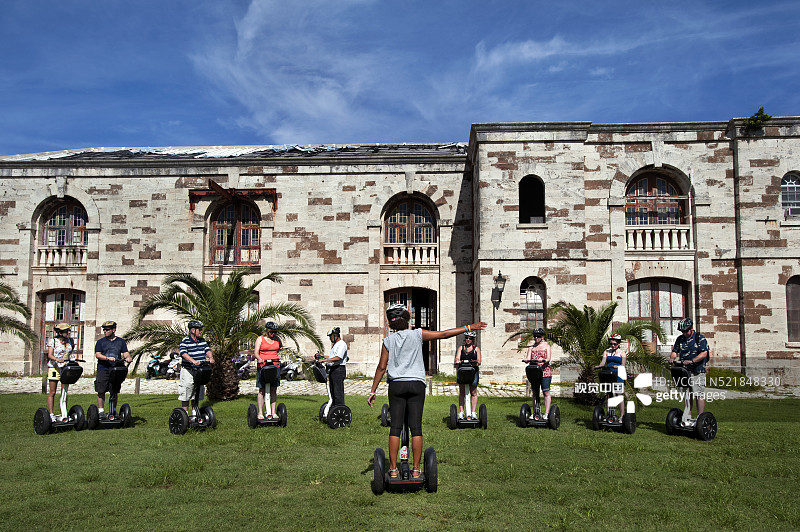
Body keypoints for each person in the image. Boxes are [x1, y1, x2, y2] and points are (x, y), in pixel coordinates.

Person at [368, 303, 486, 479]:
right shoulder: (417, 334)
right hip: (416, 384)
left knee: (395, 428)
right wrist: (469, 327)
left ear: (390, 324)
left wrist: (372, 391)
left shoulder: (388, 341)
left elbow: (381, 367)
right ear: (407, 320)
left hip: (397, 385)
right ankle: (416, 470)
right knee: (416, 427)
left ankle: (393, 470)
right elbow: (444, 335)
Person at [669, 317, 709, 417]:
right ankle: (688, 415)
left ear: (691, 328)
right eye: (682, 331)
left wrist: (691, 361)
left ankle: (700, 417)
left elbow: (704, 353)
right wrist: (672, 358)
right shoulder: (680, 339)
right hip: (684, 371)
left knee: (698, 394)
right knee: (687, 394)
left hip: (697, 371)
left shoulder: (699, 338)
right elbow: (675, 351)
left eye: (686, 331)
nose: (684, 333)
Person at [94, 320, 131, 414]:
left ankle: (113, 410)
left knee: (114, 391)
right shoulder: (100, 342)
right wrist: (107, 358)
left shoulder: (120, 341)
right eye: (104, 330)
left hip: (115, 369)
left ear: (113, 330)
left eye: (107, 329)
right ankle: (101, 411)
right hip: (103, 369)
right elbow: (98, 354)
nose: (105, 331)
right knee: (101, 390)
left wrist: (128, 357)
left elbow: (125, 352)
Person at [179, 320, 215, 413]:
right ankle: (185, 415)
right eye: (199, 329)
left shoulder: (202, 340)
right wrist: (193, 361)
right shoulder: (185, 340)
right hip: (188, 370)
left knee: (197, 392)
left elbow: (207, 349)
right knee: (187, 391)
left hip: (199, 370)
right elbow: (183, 353)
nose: (201, 331)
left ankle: (195, 414)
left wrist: (211, 358)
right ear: (192, 330)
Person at [46, 323, 76, 421]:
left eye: (69, 331)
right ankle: (51, 414)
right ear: (60, 333)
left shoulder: (70, 341)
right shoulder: (53, 341)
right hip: (54, 368)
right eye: (66, 331)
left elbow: (70, 352)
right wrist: (57, 359)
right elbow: (50, 355)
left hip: (65, 368)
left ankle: (64, 413)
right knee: (52, 391)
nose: (68, 333)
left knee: (65, 391)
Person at [594, 333, 627, 418]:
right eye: (611, 343)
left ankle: (622, 416)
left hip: (619, 376)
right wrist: (599, 366)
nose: (613, 345)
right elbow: (603, 362)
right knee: (609, 394)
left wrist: (617, 366)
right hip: (608, 374)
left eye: (615, 344)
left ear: (619, 344)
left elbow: (623, 365)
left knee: (619, 395)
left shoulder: (622, 353)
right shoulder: (606, 352)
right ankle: (609, 414)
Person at [253, 321, 282, 419]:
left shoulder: (277, 339)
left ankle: (273, 412)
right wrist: (259, 358)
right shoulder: (260, 339)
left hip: (275, 366)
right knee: (262, 390)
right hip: (263, 366)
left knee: (273, 389)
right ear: (267, 331)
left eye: (275, 332)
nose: (273, 334)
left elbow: (279, 348)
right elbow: (256, 352)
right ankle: (260, 413)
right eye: (272, 332)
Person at [522, 328, 552, 418]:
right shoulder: (531, 348)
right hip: (534, 372)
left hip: (545, 372)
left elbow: (548, 358)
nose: (536, 338)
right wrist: (526, 360)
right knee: (535, 392)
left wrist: (543, 360)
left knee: (546, 392)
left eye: (538, 336)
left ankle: (546, 414)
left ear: (542, 337)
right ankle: (535, 412)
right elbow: (528, 357)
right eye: (534, 336)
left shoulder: (547, 346)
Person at [454, 330, 481, 419]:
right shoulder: (461, 348)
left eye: (470, 338)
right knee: (462, 392)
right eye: (466, 338)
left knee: (473, 392)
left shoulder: (476, 349)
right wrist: (458, 361)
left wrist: (474, 362)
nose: (468, 340)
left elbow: (479, 361)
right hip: (463, 372)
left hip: (473, 372)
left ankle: (473, 412)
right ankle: (461, 412)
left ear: (473, 339)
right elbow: (457, 358)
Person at [319, 327, 347, 406]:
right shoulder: (336, 345)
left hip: (338, 370)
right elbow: (332, 357)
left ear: (335, 336)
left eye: (330, 337)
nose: (330, 339)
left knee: (338, 392)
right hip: (333, 370)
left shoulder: (342, 344)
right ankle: (334, 409)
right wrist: (323, 356)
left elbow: (338, 358)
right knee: (333, 392)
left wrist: (325, 361)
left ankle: (340, 409)